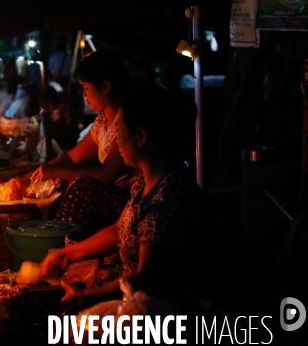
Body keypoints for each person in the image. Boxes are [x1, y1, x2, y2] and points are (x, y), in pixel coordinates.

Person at [40, 89, 205, 310]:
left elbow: (146, 278)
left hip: (162, 311)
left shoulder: (165, 200)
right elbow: (120, 230)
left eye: (120, 129)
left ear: (140, 137)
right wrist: (67, 255)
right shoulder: (145, 183)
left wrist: (85, 296)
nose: (115, 137)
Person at [29, 50, 137, 229]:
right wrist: (36, 175)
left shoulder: (126, 122)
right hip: (111, 195)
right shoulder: (102, 122)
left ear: (105, 86)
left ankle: (62, 240)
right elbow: (71, 158)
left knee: (80, 184)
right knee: (59, 181)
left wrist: (55, 171)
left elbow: (106, 174)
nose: (83, 94)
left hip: (130, 199)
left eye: (86, 88)